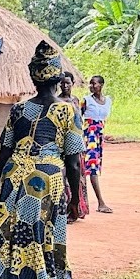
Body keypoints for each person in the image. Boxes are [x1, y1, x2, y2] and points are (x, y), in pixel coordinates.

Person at [0, 42, 85, 279]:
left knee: (8, 242)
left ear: (33, 77)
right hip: (46, 178)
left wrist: (4, 185)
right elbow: (74, 162)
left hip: (13, 177)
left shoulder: (18, 109)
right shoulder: (67, 111)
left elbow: (4, 152)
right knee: (40, 242)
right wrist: (75, 198)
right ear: (57, 78)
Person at [59, 73, 90, 222]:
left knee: (77, 176)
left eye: (68, 83)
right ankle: (67, 210)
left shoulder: (76, 100)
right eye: (62, 83)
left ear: (73, 83)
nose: (65, 86)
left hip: (77, 142)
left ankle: (77, 209)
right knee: (66, 176)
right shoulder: (58, 101)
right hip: (64, 143)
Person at [82, 74, 114, 213]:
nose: (92, 86)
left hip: (98, 137)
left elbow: (102, 120)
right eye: (90, 84)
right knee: (92, 168)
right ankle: (100, 202)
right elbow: (78, 118)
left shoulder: (108, 101)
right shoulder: (86, 101)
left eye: (94, 83)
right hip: (88, 137)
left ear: (101, 85)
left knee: (91, 168)